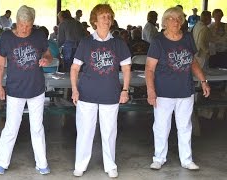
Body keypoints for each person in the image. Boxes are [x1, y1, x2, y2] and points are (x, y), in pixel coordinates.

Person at [145, 7, 210, 171]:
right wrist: (151, 91)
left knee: (185, 126)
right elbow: (149, 69)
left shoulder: (187, 38)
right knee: (161, 126)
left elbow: (193, 62)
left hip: (185, 91)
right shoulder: (158, 41)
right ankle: (159, 158)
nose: (176, 21)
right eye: (171, 18)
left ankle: (187, 159)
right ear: (165, 22)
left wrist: (203, 80)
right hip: (163, 92)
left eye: (179, 18)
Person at [70, 4, 131, 178]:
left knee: (109, 131)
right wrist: (74, 90)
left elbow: (126, 69)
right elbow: (74, 68)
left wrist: (125, 90)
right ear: (94, 21)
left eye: (109, 16)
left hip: (110, 94)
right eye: (102, 16)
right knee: (85, 131)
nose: (106, 19)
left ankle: (110, 165)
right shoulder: (86, 42)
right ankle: (80, 164)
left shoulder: (118, 43)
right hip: (86, 94)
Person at [0, 5, 53, 175]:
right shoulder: (6, 37)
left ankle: (42, 163)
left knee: (37, 127)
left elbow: (49, 54)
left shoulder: (39, 35)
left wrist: (46, 59)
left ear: (33, 23)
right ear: (16, 22)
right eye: (21, 25)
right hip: (14, 89)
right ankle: (1, 162)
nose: (24, 29)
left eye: (28, 26)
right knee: (11, 127)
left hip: (36, 89)